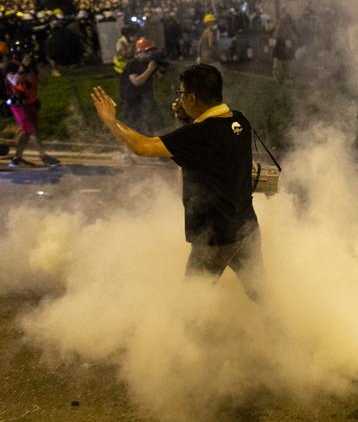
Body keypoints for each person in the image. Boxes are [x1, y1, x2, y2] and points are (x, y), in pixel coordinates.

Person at [90, 64, 265, 301]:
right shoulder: (240, 121)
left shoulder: (198, 135)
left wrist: (111, 120)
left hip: (215, 237)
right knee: (261, 293)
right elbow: (209, 149)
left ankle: (185, 339)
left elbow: (141, 147)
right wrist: (189, 118)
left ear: (192, 97)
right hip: (247, 228)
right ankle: (283, 334)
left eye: (181, 94)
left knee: (188, 305)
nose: (179, 99)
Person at [4, 52, 59, 167]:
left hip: (31, 103)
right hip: (19, 105)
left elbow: (44, 82)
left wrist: (41, 70)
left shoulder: (32, 66)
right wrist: (23, 66)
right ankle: (44, 157)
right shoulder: (10, 67)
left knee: (27, 132)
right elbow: (14, 81)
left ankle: (17, 159)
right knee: (33, 130)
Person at [119, 37, 164, 135]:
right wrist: (150, 69)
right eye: (148, 52)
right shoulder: (133, 63)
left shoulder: (147, 63)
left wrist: (158, 70)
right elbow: (136, 82)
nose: (150, 54)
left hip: (146, 97)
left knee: (155, 120)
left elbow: (159, 78)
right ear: (140, 52)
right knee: (136, 126)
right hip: (133, 99)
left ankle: (152, 141)